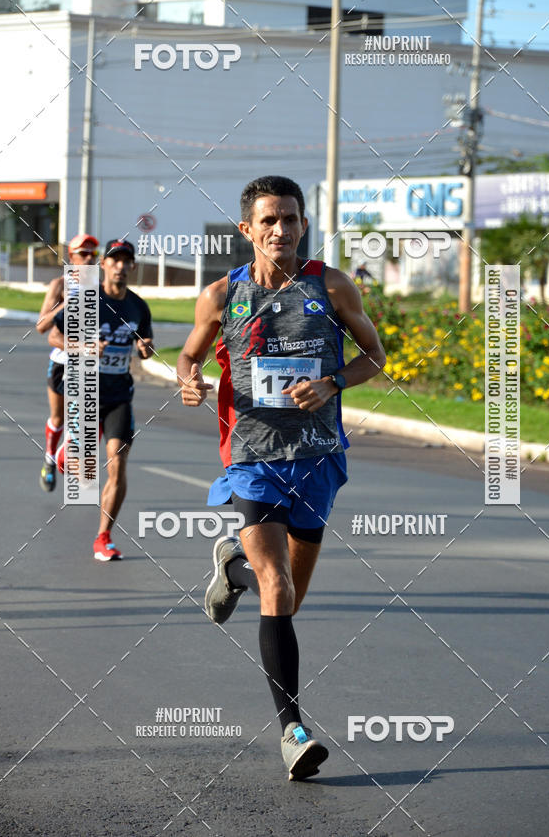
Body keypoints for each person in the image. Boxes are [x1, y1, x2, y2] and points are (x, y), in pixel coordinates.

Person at [177, 176, 386, 780]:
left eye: (290, 219)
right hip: (253, 456)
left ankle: (232, 569)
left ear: (303, 225)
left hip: (318, 456)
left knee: (289, 596)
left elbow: (375, 356)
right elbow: (189, 354)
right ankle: (293, 731)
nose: (280, 230)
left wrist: (332, 382)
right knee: (276, 587)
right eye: (268, 220)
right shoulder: (223, 295)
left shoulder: (331, 285)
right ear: (247, 229)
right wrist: (189, 379)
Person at [48, 239, 154, 561]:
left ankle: (103, 537)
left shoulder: (138, 306)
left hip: (120, 396)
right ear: (104, 265)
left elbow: (145, 345)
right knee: (82, 469)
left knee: (117, 465)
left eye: (125, 261)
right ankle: (67, 452)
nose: (120, 266)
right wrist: (83, 347)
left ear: (132, 266)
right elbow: (54, 335)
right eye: (114, 260)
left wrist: (145, 348)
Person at [36, 233, 100, 492]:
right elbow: (42, 326)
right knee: (58, 418)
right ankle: (50, 459)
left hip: (91, 366)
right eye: (83, 254)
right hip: (62, 363)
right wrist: (65, 305)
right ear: (71, 257)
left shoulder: (101, 288)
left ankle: (79, 467)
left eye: (93, 254)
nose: (89, 259)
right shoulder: (60, 285)